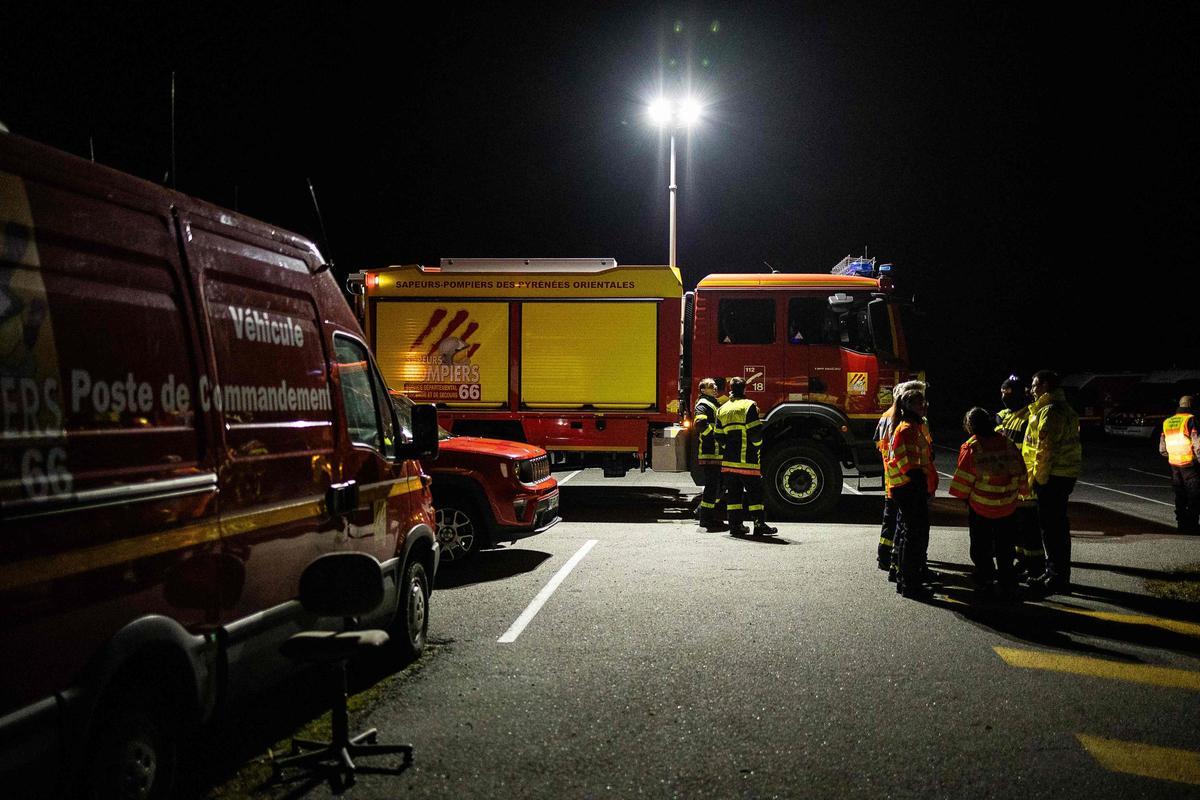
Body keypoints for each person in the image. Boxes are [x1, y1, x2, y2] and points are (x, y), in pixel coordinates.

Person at [949, 407, 1028, 598]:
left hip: (981, 507)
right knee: (1005, 546)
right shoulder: (1007, 443)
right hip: (1007, 506)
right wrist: (1021, 493)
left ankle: (985, 578)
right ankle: (1007, 580)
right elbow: (1021, 472)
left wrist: (965, 499)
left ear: (970, 426)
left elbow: (963, 481)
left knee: (981, 546)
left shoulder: (972, 447)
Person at [1022, 370, 1082, 594]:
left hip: (1053, 477)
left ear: (1046, 385)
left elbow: (1045, 450)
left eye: (1035, 384)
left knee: (1052, 528)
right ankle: (1054, 571)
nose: (1032, 388)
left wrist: (1039, 479)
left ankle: (1057, 576)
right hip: (1061, 475)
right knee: (1054, 526)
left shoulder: (1050, 411)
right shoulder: (1059, 409)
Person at [888, 384, 938, 599]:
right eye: (920, 403)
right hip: (909, 488)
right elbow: (906, 462)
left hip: (912, 487)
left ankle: (907, 579)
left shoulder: (913, 427)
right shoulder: (907, 429)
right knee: (913, 536)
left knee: (913, 534)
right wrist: (919, 484)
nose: (924, 406)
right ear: (910, 406)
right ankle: (909, 583)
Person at [996, 375, 1045, 580]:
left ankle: (1035, 566)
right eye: (1002, 393)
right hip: (1009, 480)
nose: (1005, 397)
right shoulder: (1002, 415)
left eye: (1008, 393)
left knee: (1029, 527)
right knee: (1015, 526)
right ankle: (1021, 561)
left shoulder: (1029, 417)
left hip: (1026, 479)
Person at [874, 380, 926, 576]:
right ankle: (901, 565)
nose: (924, 406)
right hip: (906, 480)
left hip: (892, 478)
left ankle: (886, 558)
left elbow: (880, 446)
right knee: (905, 527)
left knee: (891, 523)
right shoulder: (910, 425)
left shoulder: (885, 417)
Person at [717, 377, 778, 537]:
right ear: (744, 389)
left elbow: (719, 436)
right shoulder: (749, 405)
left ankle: (735, 526)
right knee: (755, 494)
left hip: (729, 462)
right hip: (747, 461)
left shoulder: (722, 409)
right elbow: (755, 432)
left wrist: (728, 449)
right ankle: (759, 525)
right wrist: (757, 447)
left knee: (734, 495)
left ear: (730, 389)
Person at [1160, 395, 1200, 533]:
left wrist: (1173, 455)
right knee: (1194, 495)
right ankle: (1193, 525)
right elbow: (1197, 443)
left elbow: (1162, 449)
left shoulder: (1167, 422)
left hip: (1174, 465)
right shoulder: (1190, 420)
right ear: (1190, 405)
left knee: (1180, 495)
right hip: (1189, 465)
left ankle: (1181, 525)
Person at [694, 377, 726, 531]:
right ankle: (705, 519)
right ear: (702, 390)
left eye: (715, 386)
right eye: (711, 386)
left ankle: (704, 513)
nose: (715, 388)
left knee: (717, 486)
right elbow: (700, 423)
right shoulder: (703, 404)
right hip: (709, 452)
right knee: (712, 486)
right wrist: (714, 436)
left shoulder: (713, 402)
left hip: (716, 452)